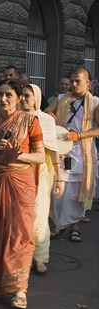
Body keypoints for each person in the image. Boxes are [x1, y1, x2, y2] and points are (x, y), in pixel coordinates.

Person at [0, 79, 45, 309]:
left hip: (20, 182)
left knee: (20, 233)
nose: (3, 99)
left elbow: (40, 156)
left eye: (9, 95)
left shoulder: (30, 121)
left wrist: (17, 155)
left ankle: (20, 289)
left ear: (18, 98)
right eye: (0, 94)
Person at [46, 67, 99, 243]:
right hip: (61, 151)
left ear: (88, 84)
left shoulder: (95, 102)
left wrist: (80, 135)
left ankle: (75, 228)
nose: (74, 84)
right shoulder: (62, 99)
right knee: (57, 190)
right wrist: (51, 117)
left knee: (77, 194)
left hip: (81, 153)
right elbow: (46, 114)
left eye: (78, 81)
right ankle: (58, 225)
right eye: (72, 81)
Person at [19, 84, 64, 274]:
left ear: (36, 98)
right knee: (20, 217)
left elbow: (54, 151)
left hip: (41, 172)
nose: (23, 99)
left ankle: (39, 257)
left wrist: (59, 178)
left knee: (39, 216)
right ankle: (21, 257)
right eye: (21, 95)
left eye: (28, 96)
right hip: (19, 171)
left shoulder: (46, 120)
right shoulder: (16, 117)